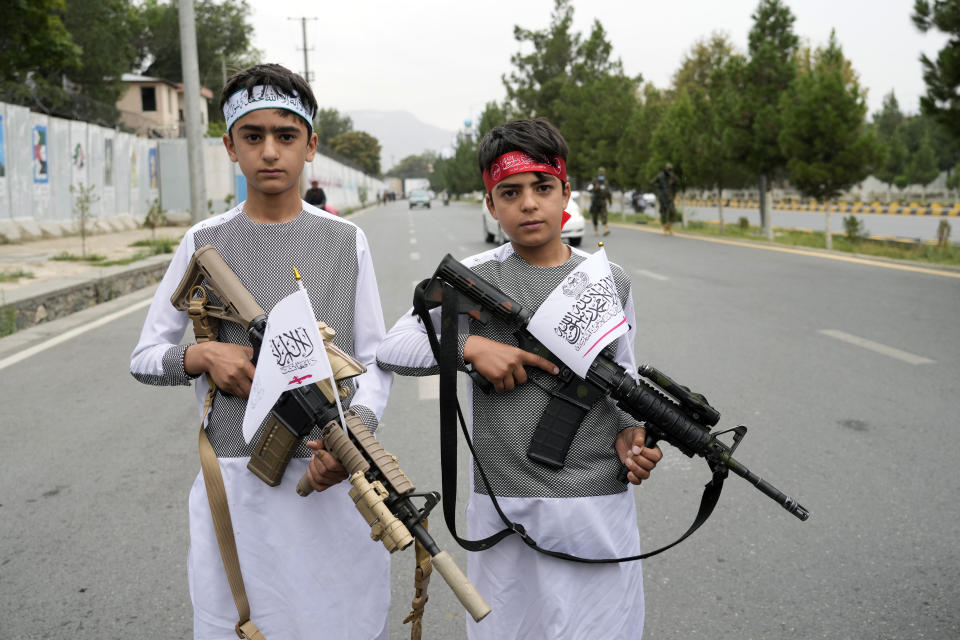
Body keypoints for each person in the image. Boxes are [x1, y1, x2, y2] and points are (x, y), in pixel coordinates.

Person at [130, 63, 393, 640]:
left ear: (311, 147)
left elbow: (373, 361)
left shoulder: (345, 240)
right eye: (253, 136)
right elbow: (146, 354)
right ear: (229, 146)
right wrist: (202, 359)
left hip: (330, 475)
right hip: (236, 481)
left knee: (338, 622)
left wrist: (352, 437)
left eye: (286, 135)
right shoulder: (204, 242)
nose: (269, 151)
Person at [375, 118, 662, 640]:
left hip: (597, 503)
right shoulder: (472, 278)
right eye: (510, 192)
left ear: (566, 193)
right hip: (503, 502)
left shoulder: (608, 280)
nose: (528, 204)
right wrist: (469, 347)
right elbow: (393, 347)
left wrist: (628, 433)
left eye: (542, 188)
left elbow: (624, 372)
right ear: (491, 204)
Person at [653, 163, 679, 235]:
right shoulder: (660, 175)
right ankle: (665, 229)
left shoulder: (672, 175)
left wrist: (674, 180)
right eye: (668, 169)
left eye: (670, 169)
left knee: (672, 211)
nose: (669, 171)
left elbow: (676, 184)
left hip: (670, 197)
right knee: (663, 212)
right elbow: (653, 182)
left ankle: (669, 227)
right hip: (662, 196)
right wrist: (660, 186)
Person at [588, 167, 613, 236]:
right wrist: (595, 188)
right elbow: (589, 189)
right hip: (595, 202)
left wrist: (610, 201)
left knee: (604, 215)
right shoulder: (594, 181)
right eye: (600, 172)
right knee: (595, 217)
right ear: (598, 173)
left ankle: (605, 229)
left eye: (603, 173)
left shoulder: (606, 182)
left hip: (603, 201)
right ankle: (595, 230)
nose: (601, 174)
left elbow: (608, 193)